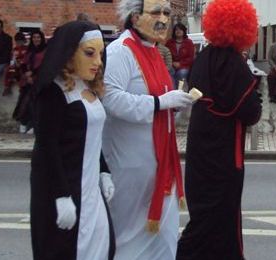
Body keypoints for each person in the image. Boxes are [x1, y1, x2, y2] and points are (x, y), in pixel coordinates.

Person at [101, 0, 193, 259]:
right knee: (128, 236)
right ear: (134, 18)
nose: (163, 19)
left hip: (160, 164)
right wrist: (159, 103)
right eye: (155, 12)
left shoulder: (154, 51)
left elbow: (160, 99)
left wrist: (175, 104)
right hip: (129, 166)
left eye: (166, 12)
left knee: (164, 237)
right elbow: (110, 100)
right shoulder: (121, 51)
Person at [176, 0, 262, 259]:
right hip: (224, 157)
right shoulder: (235, 64)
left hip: (199, 153)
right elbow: (250, 111)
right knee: (221, 221)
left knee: (203, 218)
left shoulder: (203, 58)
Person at [30, 20, 115, 260]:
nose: (97, 61)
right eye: (89, 53)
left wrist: (103, 171)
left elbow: (91, 136)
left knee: (100, 247)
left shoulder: (89, 87)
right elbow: (46, 148)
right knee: (66, 249)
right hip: (66, 188)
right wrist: (61, 195)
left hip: (91, 190)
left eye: (100, 53)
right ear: (68, 53)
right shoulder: (53, 93)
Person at [12, 30, 47, 134]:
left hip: (39, 80)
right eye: (34, 37)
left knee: (35, 104)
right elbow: (23, 64)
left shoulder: (45, 50)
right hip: (27, 81)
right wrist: (26, 74)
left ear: (41, 38)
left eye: (38, 37)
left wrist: (32, 73)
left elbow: (44, 65)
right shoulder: (29, 50)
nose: (36, 39)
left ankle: (33, 125)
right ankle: (24, 122)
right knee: (24, 102)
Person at [166, 23, 194, 89]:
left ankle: (180, 90)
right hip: (172, 65)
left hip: (185, 66)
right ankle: (173, 90)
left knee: (181, 73)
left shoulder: (189, 42)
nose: (178, 31)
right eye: (176, 30)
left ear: (184, 31)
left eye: (180, 30)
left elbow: (191, 58)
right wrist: (172, 63)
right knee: (169, 72)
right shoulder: (169, 42)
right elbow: (166, 55)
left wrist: (180, 64)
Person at [2, 32, 28, 96]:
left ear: (24, 41)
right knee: (9, 70)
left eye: (20, 41)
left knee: (22, 73)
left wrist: (21, 63)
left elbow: (27, 58)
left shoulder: (27, 49)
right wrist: (12, 64)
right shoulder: (14, 50)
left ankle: (22, 87)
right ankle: (7, 87)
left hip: (23, 66)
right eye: (17, 42)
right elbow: (12, 59)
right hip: (15, 67)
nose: (19, 43)